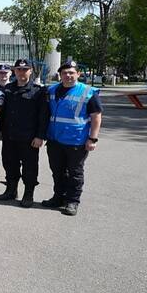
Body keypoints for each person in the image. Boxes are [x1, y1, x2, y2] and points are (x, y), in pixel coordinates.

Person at [42, 59, 103, 216]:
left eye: (71, 72)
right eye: (64, 73)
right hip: (55, 140)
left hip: (76, 140)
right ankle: (58, 197)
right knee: (57, 171)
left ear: (78, 74)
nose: (68, 75)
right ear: (60, 75)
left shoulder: (88, 92)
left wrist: (93, 139)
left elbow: (96, 117)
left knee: (75, 173)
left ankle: (72, 201)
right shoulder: (52, 90)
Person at [0, 59, 48, 207]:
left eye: (25, 69)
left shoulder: (38, 91)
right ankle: (11, 190)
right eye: (19, 69)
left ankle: (28, 194)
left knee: (29, 167)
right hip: (9, 135)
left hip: (29, 137)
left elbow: (43, 115)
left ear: (30, 71)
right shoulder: (8, 89)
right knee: (9, 164)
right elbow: (2, 113)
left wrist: (40, 136)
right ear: (14, 71)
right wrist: (0, 131)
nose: (21, 72)